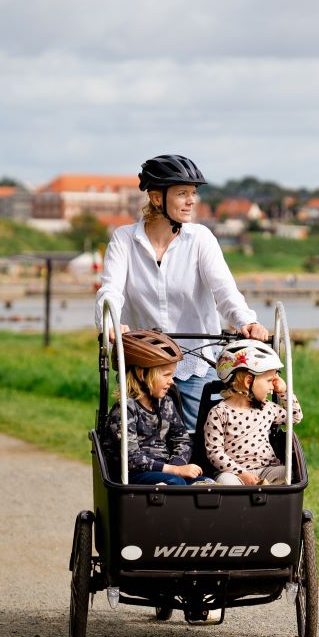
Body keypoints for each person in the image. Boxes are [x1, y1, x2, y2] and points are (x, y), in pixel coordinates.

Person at [95, 154, 269, 432]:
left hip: (195, 363)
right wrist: (111, 322)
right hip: (143, 365)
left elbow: (224, 290)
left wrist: (245, 321)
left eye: (193, 193)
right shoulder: (124, 239)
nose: (192, 200)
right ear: (156, 198)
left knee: (201, 440)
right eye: (182, 193)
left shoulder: (201, 239)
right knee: (142, 442)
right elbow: (110, 291)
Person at [102, 329, 212, 485]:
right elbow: (131, 459)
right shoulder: (125, 409)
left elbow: (183, 440)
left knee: (206, 483)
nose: (172, 382)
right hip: (134, 474)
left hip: (166, 471)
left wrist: (178, 465)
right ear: (141, 374)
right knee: (175, 482)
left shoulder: (166, 403)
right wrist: (174, 471)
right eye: (166, 375)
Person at [204, 340, 302, 486]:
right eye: (270, 381)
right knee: (225, 481)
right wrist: (241, 473)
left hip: (267, 470)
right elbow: (214, 452)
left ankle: (269, 497)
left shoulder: (267, 408)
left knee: (288, 473)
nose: (272, 387)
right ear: (248, 382)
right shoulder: (219, 413)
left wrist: (284, 392)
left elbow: (295, 417)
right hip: (234, 473)